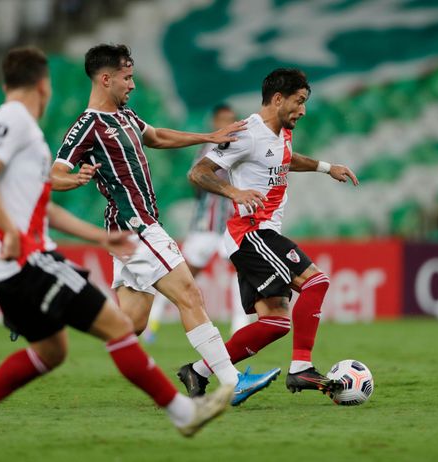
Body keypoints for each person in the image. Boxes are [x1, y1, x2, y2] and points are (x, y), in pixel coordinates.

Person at [0, 46, 233, 457]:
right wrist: (11, 229)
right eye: (127, 77)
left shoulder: (112, 119)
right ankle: (220, 390)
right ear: (44, 85)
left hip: (56, 249)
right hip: (68, 245)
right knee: (175, 300)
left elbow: (43, 201)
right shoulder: (24, 120)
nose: (132, 84)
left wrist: (98, 237)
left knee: (89, 339)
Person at [50, 44, 280, 406]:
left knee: (131, 324)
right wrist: (75, 179)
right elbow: (54, 173)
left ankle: (48, 310)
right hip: (136, 226)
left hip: (128, 230)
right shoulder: (87, 125)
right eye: (127, 77)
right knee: (189, 294)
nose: (132, 85)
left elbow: (155, 136)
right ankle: (232, 381)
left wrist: (207, 137)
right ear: (106, 79)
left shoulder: (125, 116)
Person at [178, 68, 359, 398]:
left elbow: (286, 159)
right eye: (299, 101)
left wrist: (326, 167)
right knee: (316, 282)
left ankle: (198, 371)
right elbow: (198, 172)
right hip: (251, 233)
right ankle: (301, 368)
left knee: (275, 323)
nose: (303, 110)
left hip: (258, 236)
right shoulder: (248, 133)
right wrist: (233, 192)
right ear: (278, 99)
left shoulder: (281, 131)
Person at [142, 104, 251, 344]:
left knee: (241, 270)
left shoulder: (242, 147)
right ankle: (152, 320)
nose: (227, 124)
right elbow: (194, 178)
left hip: (232, 224)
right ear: (214, 122)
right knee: (185, 274)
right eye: (222, 119)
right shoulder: (208, 148)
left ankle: (240, 328)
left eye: (231, 119)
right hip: (205, 225)